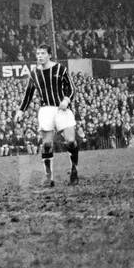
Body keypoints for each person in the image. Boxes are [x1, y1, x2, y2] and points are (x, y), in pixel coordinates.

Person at [15, 44, 80, 186]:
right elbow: (28, 94)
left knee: (70, 141)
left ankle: (74, 169)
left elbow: (71, 88)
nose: (40, 56)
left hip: (62, 109)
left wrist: (66, 100)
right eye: (38, 53)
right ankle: (48, 177)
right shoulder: (34, 73)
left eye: (43, 53)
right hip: (46, 110)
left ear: (49, 55)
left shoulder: (60, 69)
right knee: (46, 144)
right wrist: (21, 110)